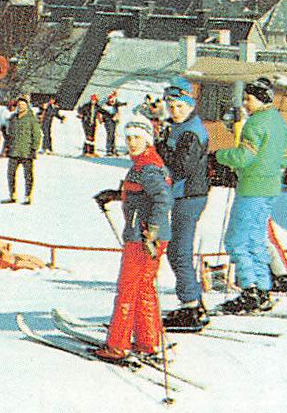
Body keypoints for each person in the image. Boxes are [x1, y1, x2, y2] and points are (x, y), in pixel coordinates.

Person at [90, 116, 172, 362]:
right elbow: (142, 195)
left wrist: (153, 230)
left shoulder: (147, 167)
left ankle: (117, 344)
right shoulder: (142, 164)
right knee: (144, 288)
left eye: (137, 137)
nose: (132, 142)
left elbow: (163, 198)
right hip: (146, 235)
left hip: (143, 238)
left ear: (147, 139)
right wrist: (115, 195)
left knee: (128, 289)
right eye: (128, 137)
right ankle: (148, 341)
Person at [212, 76, 287, 314]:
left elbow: (244, 157)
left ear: (261, 98)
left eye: (249, 98)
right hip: (270, 188)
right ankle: (263, 288)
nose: (245, 103)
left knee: (236, 240)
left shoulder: (255, 123)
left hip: (251, 187)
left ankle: (249, 289)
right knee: (256, 239)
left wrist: (219, 156)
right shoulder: (279, 122)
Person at [159, 78, 210, 332]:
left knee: (179, 251)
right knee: (177, 251)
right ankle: (194, 302)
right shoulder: (180, 127)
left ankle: (191, 305)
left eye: (180, 106)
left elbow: (181, 167)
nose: (175, 111)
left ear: (190, 106)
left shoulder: (191, 132)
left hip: (189, 196)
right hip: (184, 195)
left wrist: (159, 147)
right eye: (171, 106)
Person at [4, 93, 40, 204]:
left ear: (27, 106)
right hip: (14, 151)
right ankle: (13, 195)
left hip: (27, 152)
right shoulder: (13, 118)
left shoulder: (31, 118)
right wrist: (7, 146)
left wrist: (34, 148)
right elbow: (9, 134)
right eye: (19, 104)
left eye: (23, 104)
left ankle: (28, 196)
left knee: (28, 175)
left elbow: (37, 135)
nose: (21, 106)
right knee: (11, 174)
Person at [101, 91, 122, 155]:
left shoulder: (115, 105)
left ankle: (113, 149)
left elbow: (118, 110)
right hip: (108, 121)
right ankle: (109, 149)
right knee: (110, 134)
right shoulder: (105, 106)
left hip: (114, 121)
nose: (111, 100)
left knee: (113, 135)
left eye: (112, 99)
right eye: (110, 99)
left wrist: (117, 118)